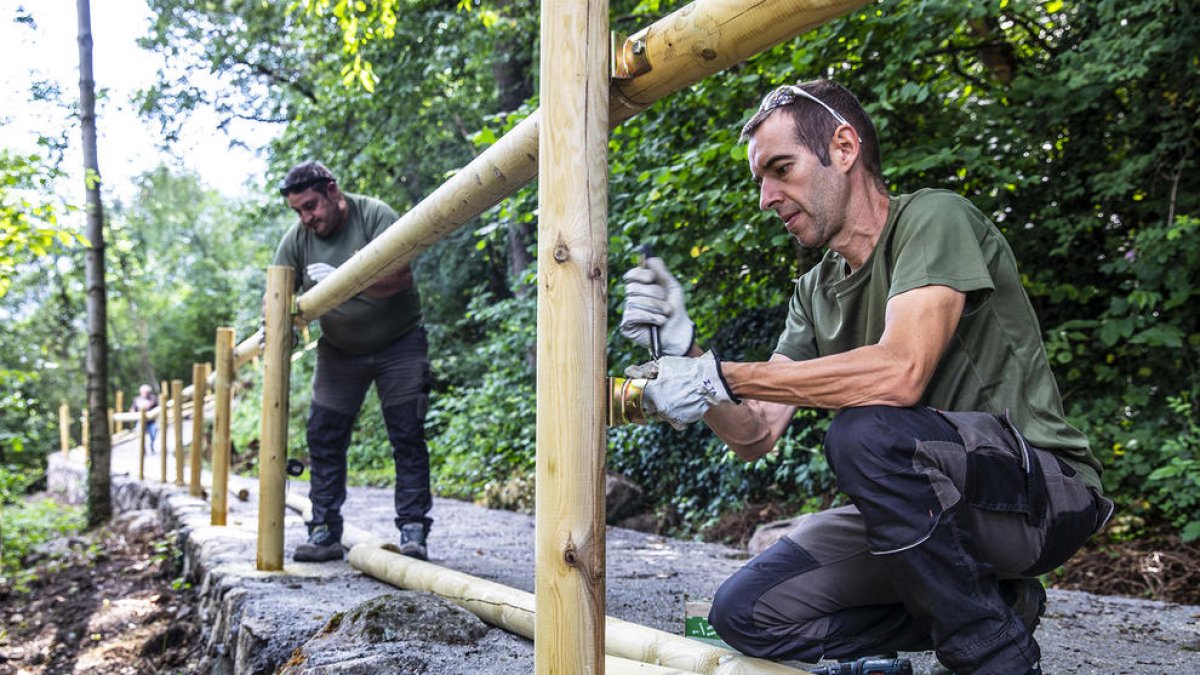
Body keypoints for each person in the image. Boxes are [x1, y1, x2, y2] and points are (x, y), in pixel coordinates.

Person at [619, 80, 1113, 674]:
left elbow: (900, 372)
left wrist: (718, 375)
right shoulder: (814, 291)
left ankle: (994, 656)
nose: (766, 197)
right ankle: (994, 605)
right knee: (743, 611)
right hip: (931, 514)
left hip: (1040, 495)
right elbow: (753, 434)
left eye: (781, 168)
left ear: (844, 147)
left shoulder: (934, 217)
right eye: (759, 180)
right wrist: (692, 357)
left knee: (865, 434)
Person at [274, 160, 433, 563]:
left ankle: (413, 530)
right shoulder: (297, 240)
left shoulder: (375, 215)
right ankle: (325, 529)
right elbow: (276, 293)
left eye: (311, 206)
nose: (307, 218)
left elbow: (400, 277)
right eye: (298, 211)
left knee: (407, 434)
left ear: (332, 189)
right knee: (323, 435)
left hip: (399, 343)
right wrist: (278, 323)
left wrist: (343, 279)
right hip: (339, 351)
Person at [131, 384, 159, 450]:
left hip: (151, 421)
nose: (144, 393)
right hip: (141, 420)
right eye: (143, 392)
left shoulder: (152, 398)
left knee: (153, 434)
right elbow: (133, 408)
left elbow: (154, 404)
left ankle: (151, 445)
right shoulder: (137, 399)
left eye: (146, 392)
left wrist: (148, 405)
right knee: (139, 434)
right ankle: (142, 447)